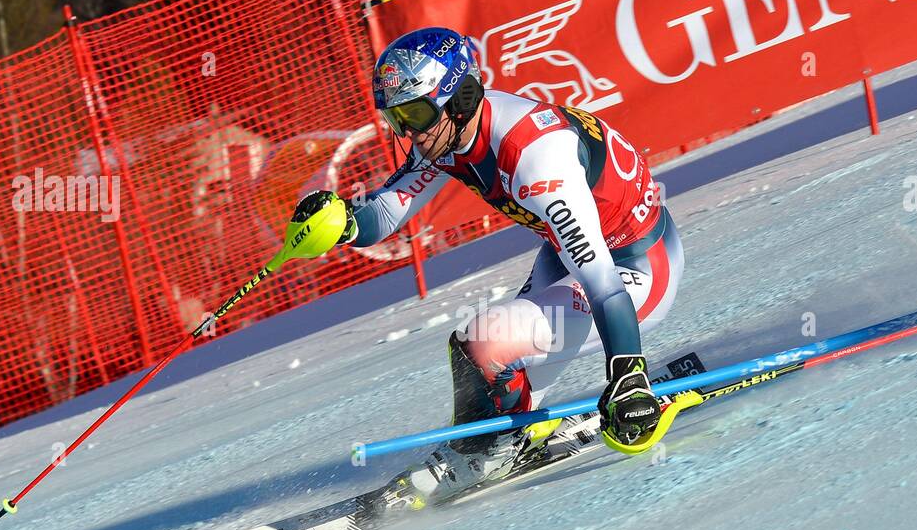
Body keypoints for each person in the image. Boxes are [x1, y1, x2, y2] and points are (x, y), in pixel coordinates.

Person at [285, 27, 685, 505]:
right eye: (396, 118)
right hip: (568, 255)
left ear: (459, 98)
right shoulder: (448, 131)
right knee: (492, 369)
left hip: (635, 271)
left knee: (483, 344)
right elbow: (390, 208)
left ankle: (486, 450)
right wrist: (344, 223)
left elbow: (602, 283)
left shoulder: (535, 157)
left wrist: (627, 375)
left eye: (414, 114)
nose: (407, 132)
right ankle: (498, 435)